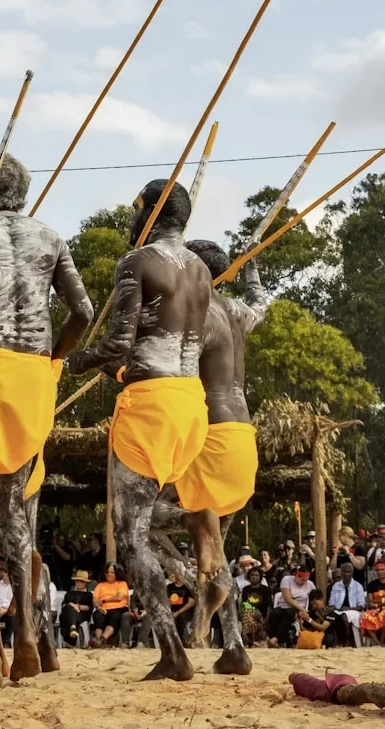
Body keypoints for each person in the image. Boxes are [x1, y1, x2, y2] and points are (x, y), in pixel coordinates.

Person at [0, 150, 92, 688]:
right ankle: (29, 634)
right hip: (34, 377)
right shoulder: (50, 237)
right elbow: (81, 312)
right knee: (17, 516)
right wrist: (54, 360)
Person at [61, 177, 211, 681]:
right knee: (147, 518)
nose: (130, 218)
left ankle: (171, 652)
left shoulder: (137, 262)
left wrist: (72, 360)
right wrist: (112, 368)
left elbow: (118, 344)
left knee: (130, 537)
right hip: (192, 404)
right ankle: (191, 516)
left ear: (150, 212)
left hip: (151, 405)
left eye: (135, 209)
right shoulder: (202, 271)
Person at [166, 238, 263, 675]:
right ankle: (235, 647)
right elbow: (260, 300)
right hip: (243, 438)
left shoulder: (196, 311)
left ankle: (193, 580)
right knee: (214, 545)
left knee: (141, 524)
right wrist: (254, 263)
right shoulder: (238, 312)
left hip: (210, 434)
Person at [326, 565, 366, 646]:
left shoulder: (358, 586)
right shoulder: (336, 586)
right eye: (344, 572)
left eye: (349, 572)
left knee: (344, 616)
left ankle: (347, 641)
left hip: (354, 611)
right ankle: (333, 641)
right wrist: (336, 609)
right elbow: (331, 603)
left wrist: (348, 609)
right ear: (341, 573)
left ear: (352, 573)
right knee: (331, 615)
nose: (346, 574)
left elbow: (361, 605)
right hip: (339, 610)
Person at [93, 565, 131, 647]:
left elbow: (119, 597)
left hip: (119, 608)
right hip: (103, 609)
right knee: (97, 615)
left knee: (115, 616)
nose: (109, 574)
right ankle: (98, 641)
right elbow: (95, 600)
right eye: (107, 572)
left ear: (116, 574)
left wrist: (104, 600)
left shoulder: (122, 584)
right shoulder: (100, 585)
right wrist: (98, 607)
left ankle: (102, 639)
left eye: (112, 573)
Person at [59, 571, 96, 649]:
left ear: (86, 583)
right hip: (67, 614)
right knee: (68, 609)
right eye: (77, 581)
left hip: (82, 614)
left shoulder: (89, 595)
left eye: (81, 581)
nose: (79, 583)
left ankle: (73, 631)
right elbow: (64, 604)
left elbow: (89, 607)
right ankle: (73, 628)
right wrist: (73, 605)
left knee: (71, 610)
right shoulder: (69, 593)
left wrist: (78, 607)